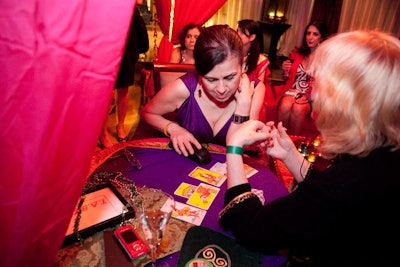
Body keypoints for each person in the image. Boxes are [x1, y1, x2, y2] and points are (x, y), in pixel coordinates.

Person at [219, 30, 400, 266]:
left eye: (320, 82)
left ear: (346, 100)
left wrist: (234, 149)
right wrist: (291, 157)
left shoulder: (345, 187)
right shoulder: (380, 155)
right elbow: (331, 195)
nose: (313, 92)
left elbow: (251, 229)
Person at [141, 24, 265, 156]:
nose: (221, 89)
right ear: (198, 72)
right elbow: (148, 113)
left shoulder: (255, 89)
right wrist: (173, 128)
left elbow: (238, 147)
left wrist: (243, 106)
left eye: (230, 77)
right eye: (211, 80)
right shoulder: (184, 87)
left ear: (243, 64)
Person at [99, 0, 149, 147]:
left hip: (126, 49)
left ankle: (120, 125)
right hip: (106, 49)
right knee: (106, 96)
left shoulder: (132, 10)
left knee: (124, 91)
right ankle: (102, 133)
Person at [276, 20, 329, 135]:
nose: (310, 37)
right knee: (285, 105)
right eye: (308, 33)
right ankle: (277, 140)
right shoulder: (297, 53)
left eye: (315, 34)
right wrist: (285, 71)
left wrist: (309, 96)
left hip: (311, 98)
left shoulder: (325, 59)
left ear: (322, 37)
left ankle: (293, 145)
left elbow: (327, 86)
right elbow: (286, 78)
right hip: (291, 92)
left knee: (298, 109)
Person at [237, 19, 272, 124]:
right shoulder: (231, 53)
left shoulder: (260, 60)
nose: (237, 34)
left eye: (242, 32)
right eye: (237, 30)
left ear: (252, 37)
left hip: (251, 96)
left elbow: (257, 87)